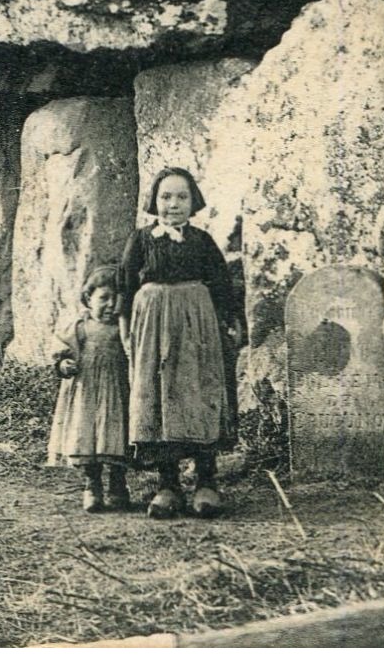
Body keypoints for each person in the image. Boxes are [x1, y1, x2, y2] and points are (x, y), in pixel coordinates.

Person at [119, 167, 241, 520]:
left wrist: (230, 322)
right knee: (158, 397)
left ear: (194, 201)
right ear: (154, 201)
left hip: (197, 328)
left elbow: (221, 285)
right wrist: (126, 331)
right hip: (152, 329)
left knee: (198, 396)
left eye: (182, 197)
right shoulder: (140, 240)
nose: (173, 205)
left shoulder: (201, 241)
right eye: (166, 197)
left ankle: (206, 481)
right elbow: (125, 288)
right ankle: (167, 485)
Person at [46, 264, 132, 513]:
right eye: (104, 298)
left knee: (117, 436)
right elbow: (61, 349)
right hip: (86, 393)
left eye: (117, 299)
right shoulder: (79, 327)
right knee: (86, 436)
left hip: (117, 391)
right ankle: (92, 485)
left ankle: (118, 485)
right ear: (88, 298)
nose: (110, 305)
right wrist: (64, 364)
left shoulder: (124, 328)